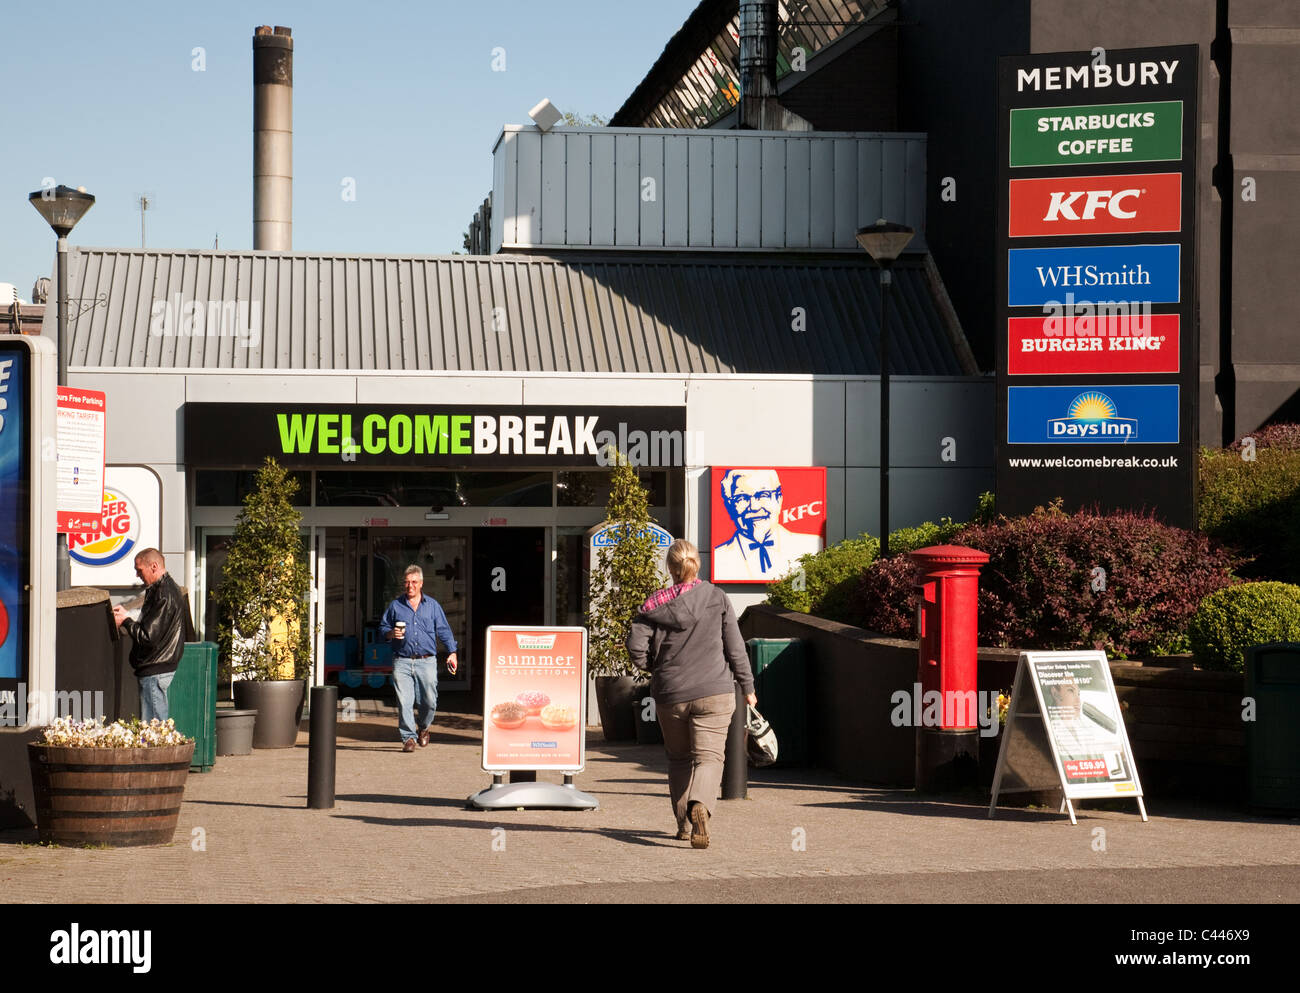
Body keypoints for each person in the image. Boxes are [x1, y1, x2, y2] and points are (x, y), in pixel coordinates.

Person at [626, 539, 756, 849]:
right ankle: (701, 805)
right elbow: (735, 647)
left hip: (671, 694)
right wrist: (748, 686)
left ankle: (684, 824)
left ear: (670, 568)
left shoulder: (652, 606)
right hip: (714, 690)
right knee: (710, 758)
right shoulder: (716, 597)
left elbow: (634, 646)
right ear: (696, 564)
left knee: (680, 759)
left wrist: (654, 666)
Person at [380, 564, 458, 753]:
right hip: (402, 660)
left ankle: (423, 727)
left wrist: (452, 652)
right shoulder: (395, 605)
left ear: (421, 583)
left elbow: (444, 631)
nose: (410, 586)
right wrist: (391, 633)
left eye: (414, 582)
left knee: (429, 701)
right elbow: (382, 629)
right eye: (407, 582)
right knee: (404, 701)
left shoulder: (432, 606)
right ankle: (408, 738)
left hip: (427, 661)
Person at [111, 548, 188, 723]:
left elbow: (147, 636)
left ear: (153, 566)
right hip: (158, 666)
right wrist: (128, 617)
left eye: (139, 570)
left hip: (155, 667)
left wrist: (125, 621)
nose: (137, 575)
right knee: (155, 726)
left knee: (154, 729)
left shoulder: (163, 593)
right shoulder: (164, 589)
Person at [712, 468, 821, 581]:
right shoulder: (719, 557)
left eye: (763, 495)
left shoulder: (810, 547)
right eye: (742, 498)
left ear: (779, 499)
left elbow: (800, 589)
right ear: (729, 507)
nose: (754, 507)